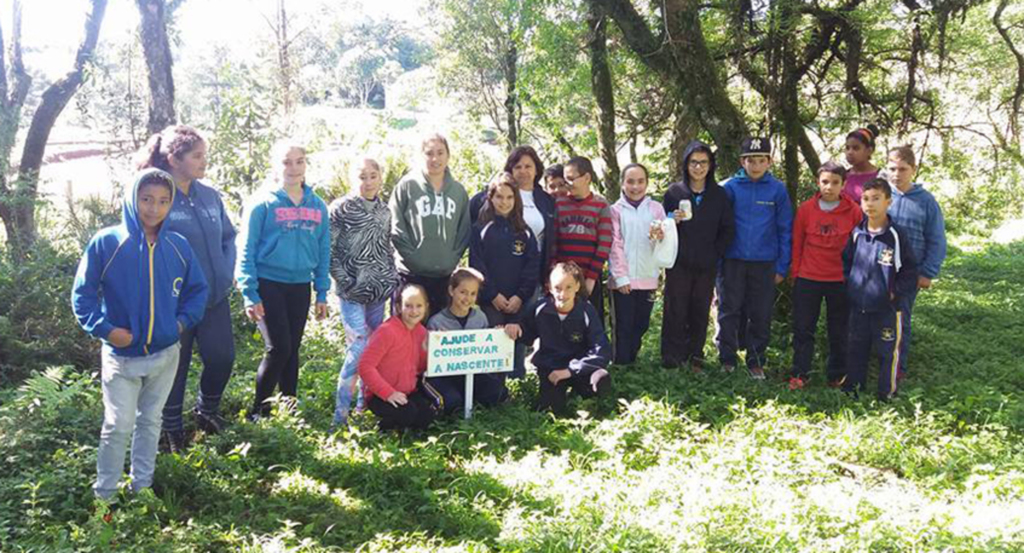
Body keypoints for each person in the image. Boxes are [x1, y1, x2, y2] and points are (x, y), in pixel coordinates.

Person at [71, 168, 209, 500]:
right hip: (122, 358)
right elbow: (83, 295)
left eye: (163, 201)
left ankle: (141, 488)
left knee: (151, 421)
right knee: (118, 426)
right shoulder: (108, 243)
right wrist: (106, 330)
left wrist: (178, 324)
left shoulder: (177, 245)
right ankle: (105, 496)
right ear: (133, 198)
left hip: (165, 355)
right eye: (146, 199)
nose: (153, 208)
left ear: (171, 204)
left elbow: (197, 290)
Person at [136, 125, 237, 453]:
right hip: (172, 302)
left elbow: (227, 236)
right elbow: (142, 244)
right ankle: (171, 430)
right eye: (197, 155)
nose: (203, 161)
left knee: (223, 358)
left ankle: (207, 412)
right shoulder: (155, 196)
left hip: (214, 297)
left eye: (204, 154)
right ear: (173, 158)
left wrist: (225, 270)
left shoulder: (208, 195)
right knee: (173, 369)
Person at [236, 141, 331, 420]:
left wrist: (322, 291)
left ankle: (290, 408)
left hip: (300, 285)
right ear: (276, 165)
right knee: (279, 348)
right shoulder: (263, 202)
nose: (293, 168)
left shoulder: (317, 206)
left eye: (299, 161)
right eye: (286, 162)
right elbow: (247, 248)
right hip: (269, 283)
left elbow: (324, 249)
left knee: (293, 348)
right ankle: (259, 411)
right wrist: (249, 292)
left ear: (305, 164)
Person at [328, 158, 398, 426]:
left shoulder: (384, 210)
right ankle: (339, 417)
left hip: (378, 291)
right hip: (351, 292)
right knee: (358, 349)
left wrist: (389, 276)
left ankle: (362, 408)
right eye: (362, 177)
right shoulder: (341, 208)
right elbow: (329, 250)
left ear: (381, 177)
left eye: (372, 176)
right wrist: (344, 280)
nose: (368, 182)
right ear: (352, 179)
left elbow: (385, 247)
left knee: (374, 352)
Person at [717, 137, 793, 379]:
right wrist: (718, 264)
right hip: (732, 261)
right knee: (729, 310)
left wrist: (782, 266)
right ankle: (727, 359)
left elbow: (785, 229)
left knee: (760, 313)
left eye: (761, 160)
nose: (756, 165)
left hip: (764, 263)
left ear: (769, 162)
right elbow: (718, 227)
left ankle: (756, 361)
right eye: (751, 160)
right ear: (742, 161)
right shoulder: (729, 187)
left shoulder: (777, 190)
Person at [788, 161, 863, 390]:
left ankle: (837, 375)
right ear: (817, 183)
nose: (829, 187)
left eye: (835, 183)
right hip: (808, 278)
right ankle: (800, 374)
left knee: (839, 330)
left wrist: (855, 277)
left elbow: (860, 247)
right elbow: (797, 242)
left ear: (844, 184)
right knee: (803, 329)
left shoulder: (854, 212)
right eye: (824, 182)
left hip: (840, 280)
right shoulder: (806, 210)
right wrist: (795, 273)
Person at [661, 141, 734, 372]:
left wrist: (716, 253)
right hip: (678, 262)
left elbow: (728, 229)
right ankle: (672, 358)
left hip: (706, 264)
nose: (698, 167)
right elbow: (661, 225)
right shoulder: (674, 192)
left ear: (710, 165)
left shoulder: (719, 195)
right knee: (675, 309)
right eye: (694, 162)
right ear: (686, 164)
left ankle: (695, 357)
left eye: (703, 162)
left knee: (699, 310)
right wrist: (672, 219)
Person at [842, 178, 918, 400]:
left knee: (888, 352)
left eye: (876, 199)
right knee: (856, 348)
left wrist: (893, 293)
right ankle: (853, 389)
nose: (870, 204)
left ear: (888, 202)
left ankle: (887, 393)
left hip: (887, 309)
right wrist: (852, 286)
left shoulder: (895, 235)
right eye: (865, 199)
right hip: (859, 306)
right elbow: (847, 261)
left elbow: (910, 270)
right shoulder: (857, 232)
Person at [505, 262, 611, 414]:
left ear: (577, 286)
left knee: (601, 378)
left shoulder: (586, 311)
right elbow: (526, 334)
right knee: (552, 411)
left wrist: (571, 370)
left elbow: (601, 350)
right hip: (552, 369)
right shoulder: (540, 309)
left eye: (568, 287)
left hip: (579, 367)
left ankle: (595, 406)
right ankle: (556, 400)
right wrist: (514, 328)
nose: (563, 294)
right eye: (558, 288)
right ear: (549, 287)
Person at [389, 133, 471, 318]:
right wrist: (414, 259)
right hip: (410, 275)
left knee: (437, 336)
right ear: (421, 156)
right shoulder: (407, 186)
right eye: (429, 153)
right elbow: (395, 227)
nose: (435, 159)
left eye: (440, 153)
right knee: (404, 334)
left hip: (443, 277)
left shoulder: (458, 191)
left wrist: (451, 259)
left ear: (448, 156)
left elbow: (464, 231)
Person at [469, 172, 540, 378]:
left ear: (516, 199)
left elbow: (532, 267)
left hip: (518, 300)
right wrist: (492, 295)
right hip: (491, 301)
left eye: (509, 197)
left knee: (516, 339)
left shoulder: (525, 232)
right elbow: (477, 265)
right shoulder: (480, 229)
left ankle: (516, 382)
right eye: (499, 197)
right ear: (490, 198)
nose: (504, 202)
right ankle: (494, 390)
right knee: (495, 343)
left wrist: (520, 296)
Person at [885, 145, 947, 379]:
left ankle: (898, 365)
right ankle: (878, 358)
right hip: (879, 269)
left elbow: (937, 239)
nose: (897, 174)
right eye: (892, 168)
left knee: (901, 318)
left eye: (903, 169)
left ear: (913, 169)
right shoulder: (881, 195)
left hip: (909, 273)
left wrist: (928, 272)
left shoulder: (926, 202)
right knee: (875, 315)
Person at [470, 146, 556, 291]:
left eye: (528, 166)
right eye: (518, 167)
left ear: (536, 169)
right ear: (510, 170)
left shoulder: (546, 200)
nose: (523, 171)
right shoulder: (489, 196)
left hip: (534, 273)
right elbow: (475, 231)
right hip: (498, 274)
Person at [425, 268, 509, 414]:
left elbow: (485, 347)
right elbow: (430, 359)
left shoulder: (480, 317)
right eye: (463, 292)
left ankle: (472, 400)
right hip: (447, 376)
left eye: (473, 294)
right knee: (452, 404)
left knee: (497, 393)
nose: (467, 298)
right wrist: (436, 341)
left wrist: (497, 336)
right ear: (452, 291)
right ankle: (457, 400)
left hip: (473, 372)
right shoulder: (437, 321)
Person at [608, 163, 669, 365]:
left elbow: (665, 243)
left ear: (647, 183)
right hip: (623, 281)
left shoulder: (656, 209)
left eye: (640, 181)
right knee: (623, 326)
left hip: (648, 278)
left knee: (641, 324)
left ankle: (631, 362)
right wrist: (621, 277)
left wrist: (661, 237)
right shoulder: (615, 210)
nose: (636, 187)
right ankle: (620, 365)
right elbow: (614, 244)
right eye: (630, 181)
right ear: (622, 183)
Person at [358, 284, 441, 431]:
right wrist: (388, 393)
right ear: (398, 307)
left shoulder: (421, 332)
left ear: (426, 307)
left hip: (408, 392)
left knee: (428, 415)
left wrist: (428, 349)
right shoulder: (387, 331)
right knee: (407, 413)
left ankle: (404, 429)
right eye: (408, 306)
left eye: (418, 306)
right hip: (381, 394)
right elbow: (365, 366)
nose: (414, 311)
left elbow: (420, 368)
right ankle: (384, 428)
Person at [551, 156, 613, 325]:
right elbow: (553, 241)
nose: (567, 183)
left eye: (571, 178)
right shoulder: (559, 203)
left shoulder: (601, 205)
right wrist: (554, 273)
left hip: (589, 277)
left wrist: (591, 278)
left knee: (591, 322)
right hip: (562, 280)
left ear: (586, 178)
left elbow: (605, 243)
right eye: (566, 179)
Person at [842, 125, 881, 204]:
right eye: (847, 148)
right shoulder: (842, 177)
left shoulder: (881, 177)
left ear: (869, 151)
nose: (850, 152)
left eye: (856, 148)